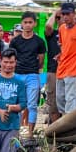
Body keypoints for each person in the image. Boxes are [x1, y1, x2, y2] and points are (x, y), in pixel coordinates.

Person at [8, 11, 46, 139]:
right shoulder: (15, 41)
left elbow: (41, 60)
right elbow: (10, 58)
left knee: (32, 105)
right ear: (22, 24)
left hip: (32, 75)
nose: (28, 25)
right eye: (25, 22)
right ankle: (16, 132)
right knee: (16, 104)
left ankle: (30, 133)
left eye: (30, 22)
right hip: (17, 75)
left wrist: (34, 68)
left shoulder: (39, 41)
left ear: (34, 24)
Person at [46, 3, 76, 115]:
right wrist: (60, 55)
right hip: (61, 68)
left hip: (74, 67)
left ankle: (69, 125)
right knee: (60, 98)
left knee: (71, 98)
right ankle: (66, 121)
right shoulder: (61, 28)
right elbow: (63, 45)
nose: (65, 17)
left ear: (74, 14)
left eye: (68, 14)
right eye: (63, 14)